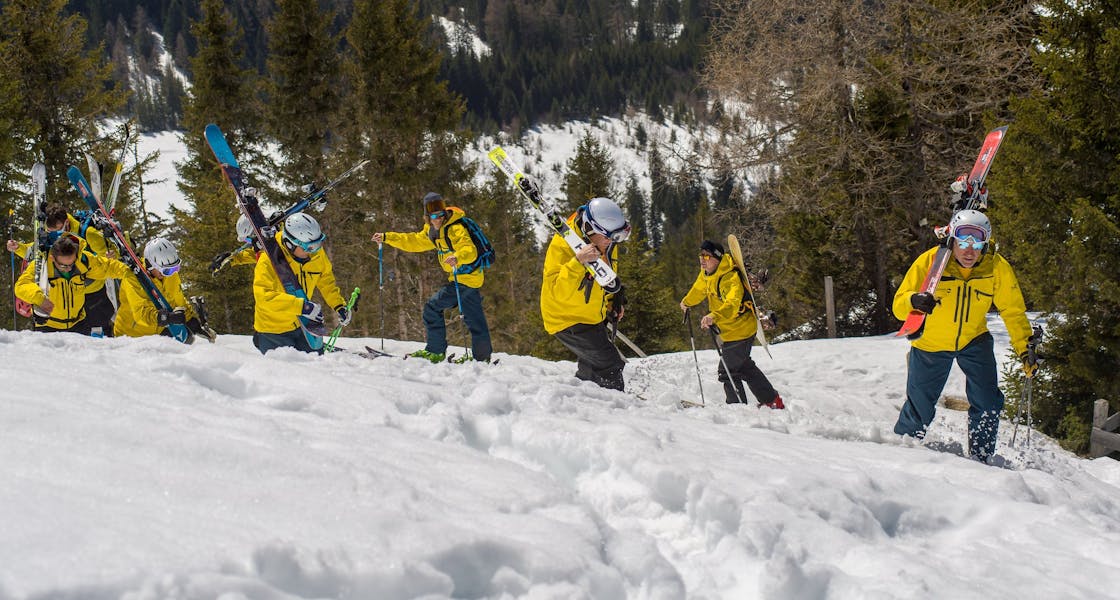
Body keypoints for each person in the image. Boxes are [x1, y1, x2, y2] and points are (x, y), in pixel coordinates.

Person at [892, 210, 1034, 461]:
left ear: (986, 242)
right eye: (963, 240)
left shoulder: (996, 267)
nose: (970, 250)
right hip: (932, 344)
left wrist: (1025, 348)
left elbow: (1013, 311)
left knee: (988, 401)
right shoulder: (931, 262)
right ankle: (902, 451)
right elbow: (898, 304)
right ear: (952, 239)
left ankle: (982, 457)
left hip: (973, 340)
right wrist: (915, 300)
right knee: (920, 408)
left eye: (977, 242)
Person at [371, 192, 492, 363]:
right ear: (427, 217)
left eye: (440, 214)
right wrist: (387, 237)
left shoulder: (455, 228)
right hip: (460, 279)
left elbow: (469, 250)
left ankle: (437, 352)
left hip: (466, 278)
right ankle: (482, 358)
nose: (437, 219)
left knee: (433, 307)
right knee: (473, 318)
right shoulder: (432, 231)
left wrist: (457, 256)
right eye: (433, 216)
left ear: (445, 212)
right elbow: (413, 241)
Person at [680, 240, 784, 408]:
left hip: (741, 330)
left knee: (727, 372)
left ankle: (737, 408)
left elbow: (732, 304)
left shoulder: (729, 278)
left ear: (718, 258)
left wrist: (714, 316)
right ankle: (772, 401)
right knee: (744, 367)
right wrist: (687, 302)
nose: (702, 259)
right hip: (730, 331)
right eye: (701, 255)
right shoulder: (706, 273)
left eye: (707, 256)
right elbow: (699, 289)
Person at [540, 197, 630, 391]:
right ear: (590, 228)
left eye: (618, 237)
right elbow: (557, 292)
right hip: (566, 318)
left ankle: (585, 396)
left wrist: (612, 302)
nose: (612, 242)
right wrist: (577, 263)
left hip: (589, 316)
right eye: (608, 237)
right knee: (610, 364)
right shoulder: (562, 246)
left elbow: (604, 277)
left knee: (593, 364)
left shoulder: (605, 243)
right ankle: (617, 409)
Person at [7, 204, 117, 334]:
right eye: (50, 231)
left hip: (91, 292)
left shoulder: (89, 234)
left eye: (57, 229)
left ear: (66, 223)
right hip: (67, 294)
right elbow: (39, 251)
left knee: (98, 331)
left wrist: (111, 255)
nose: (54, 234)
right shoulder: (52, 236)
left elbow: (110, 255)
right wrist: (18, 247)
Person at [252, 213, 348, 354]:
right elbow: (264, 298)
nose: (313, 251)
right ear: (290, 243)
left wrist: (339, 305)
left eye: (317, 244)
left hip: (301, 324)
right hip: (273, 330)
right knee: (291, 372)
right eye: (308, 247)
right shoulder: (268, 261)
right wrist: (302, 307)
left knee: (315, 365)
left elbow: (325, 279)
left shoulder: (315, 253)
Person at [14, 232, 132, 335]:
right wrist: (39, 298)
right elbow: (21, 286)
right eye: (63, 265)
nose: (69, 268)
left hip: (79, 324)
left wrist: (130, 271)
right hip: (48, 327)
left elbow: (107, 267)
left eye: (72, 263)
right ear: (53, 258)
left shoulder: (83, 261)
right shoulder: (41, 266)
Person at [115, 237, 216, 342]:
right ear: (150, 265)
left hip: (159, 329)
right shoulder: (133, 278)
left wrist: (192, 323)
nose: (171, 273)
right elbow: (141, 314)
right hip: (132, 336)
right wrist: (167, 318)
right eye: (167, 271)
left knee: (188, 342)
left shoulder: (170, 274)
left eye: (176, 268)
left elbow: (178, 301)